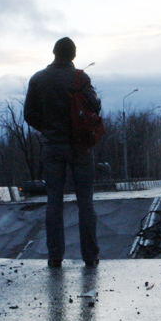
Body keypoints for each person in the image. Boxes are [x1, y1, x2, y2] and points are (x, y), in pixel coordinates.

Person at [24, 37, 101, 268]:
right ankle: (90, 256)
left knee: (54, 202)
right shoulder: (80, 77)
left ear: (54, 52)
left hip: (52, 148)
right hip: (80, 147)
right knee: (85, 202)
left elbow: (29, 114)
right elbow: (95, 105)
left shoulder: (38, 79)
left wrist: (48, 129)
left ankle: (55, 256)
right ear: (73, 55)